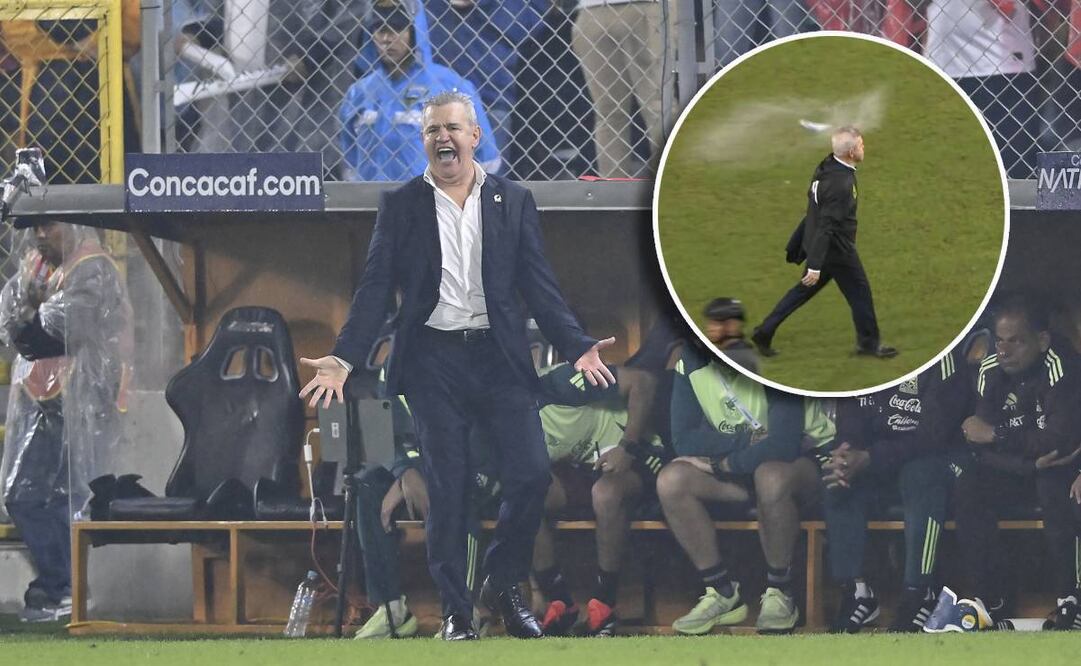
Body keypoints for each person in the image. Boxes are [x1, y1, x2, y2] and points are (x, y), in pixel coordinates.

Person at [300, 89, 614, 640]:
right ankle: (455, 612)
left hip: (498, 358)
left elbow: (538, 286)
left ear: (474, 136)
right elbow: (375, 289)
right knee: (446, 484)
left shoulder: (513, 201)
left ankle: (503, 580)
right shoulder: (400, 206)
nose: (442, 137)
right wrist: (346, 357)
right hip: (432, 361)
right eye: (431, 130)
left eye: (452, 128)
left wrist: (576, 344)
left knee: (532, 474)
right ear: (423, 142)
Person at [656, 338, 835, 634]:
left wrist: (722, 464)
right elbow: (683, 440)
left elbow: (784, 444)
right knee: (672, 480)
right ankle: (721, 592)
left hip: (806, 459)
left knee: (770, 476)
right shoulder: (691, 359)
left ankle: (781, 592)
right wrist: (743, 442)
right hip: (742, 460)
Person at [0, 219, 131, 622]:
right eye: (35, 228)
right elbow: (9, 325)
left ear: (73, 227)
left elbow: (48, 333)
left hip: (84, 402)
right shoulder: (38, 268)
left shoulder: (92, 267)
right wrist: (28, 307)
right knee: (23, 494)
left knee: (70, 496)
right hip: (42, 401)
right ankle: (59, 586)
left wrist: (29, 308)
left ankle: (68, 590)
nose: (41, 236)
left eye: (49, 227)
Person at [820, 329, 988, 634]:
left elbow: (932, 437)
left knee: (919, 474)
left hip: (941, 458)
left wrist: (869, 457)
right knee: (836, 478)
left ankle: (919, 591)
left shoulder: (941, 358)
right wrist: (845, 453)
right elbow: (850, 423)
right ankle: (857, 593)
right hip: (881, 460)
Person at [950, 298, 1081, 629]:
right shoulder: (991, 367)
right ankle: (988, 600)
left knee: (1059, 486)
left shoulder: (1062, 365)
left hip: (1058, 469)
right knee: (971, 483)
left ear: (1042, 341)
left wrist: (998, 434)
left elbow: (1059, 442)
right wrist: (1024, 461)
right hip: (1019, 468)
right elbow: (978, 442)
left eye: (1016, 340)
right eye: (999, 340)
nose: (1004, 350)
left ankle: (1071, 601)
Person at [531, 360, 664, 637]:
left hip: (635, 454)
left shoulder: (562, 381)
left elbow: (644, 381)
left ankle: (605, 603)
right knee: (525, 491)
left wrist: (627, 448)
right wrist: (533, 588)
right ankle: (559, 600)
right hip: (585, 468)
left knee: (605, 494)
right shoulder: (504, 419)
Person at [752, 126, 897, 359]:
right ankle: (869, 345)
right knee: (860, 292)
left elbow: (814, 212)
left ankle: (764, 331)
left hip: (825, 247)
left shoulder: (827, 166)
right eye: (860, 145)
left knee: (802, 291)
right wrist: (815, 265)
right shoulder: (842, 185)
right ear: (850, 152)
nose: (864, 148)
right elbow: (827, 224)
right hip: (837, 249)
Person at [339, 1, 500, 182]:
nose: (386, 38)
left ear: (415, 31)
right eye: (379, 28)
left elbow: (487, 157)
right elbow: (349, 160)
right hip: (370, 204)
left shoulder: (450, 86)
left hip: (432, 202)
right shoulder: (358, 93)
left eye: (396, 28)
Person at [571, 0, 676, 178]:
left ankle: (673, 182)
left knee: (621, 113)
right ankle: (620, 192)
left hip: (633, 7)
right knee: (651, 107)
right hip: (607, 9)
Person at [701, 297, 758, 373]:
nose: (710, 329)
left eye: (716, 324)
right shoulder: (742, 350)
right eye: (710, 323)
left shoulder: (734, 358)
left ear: (732, 325)